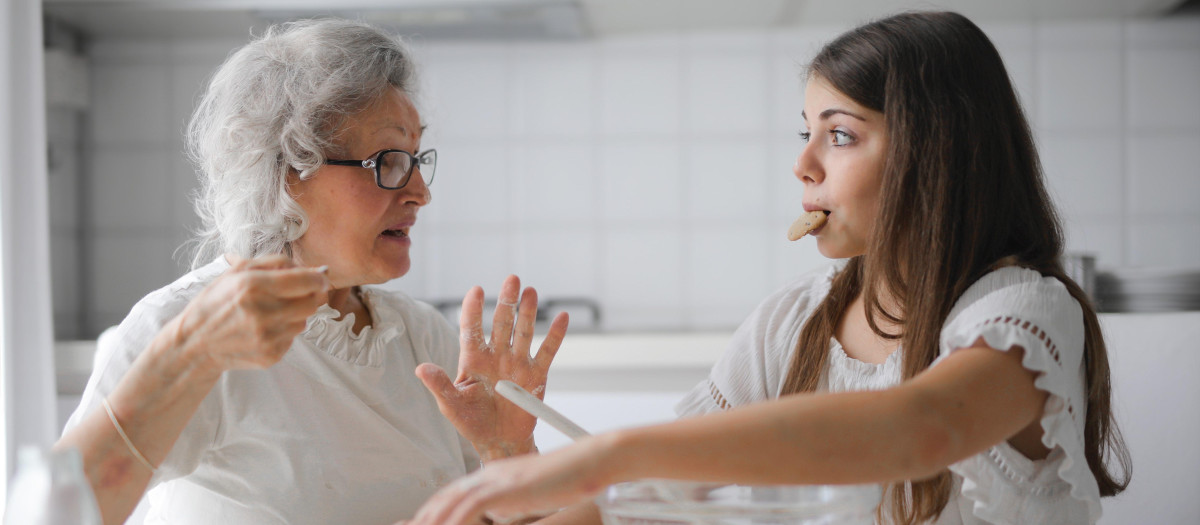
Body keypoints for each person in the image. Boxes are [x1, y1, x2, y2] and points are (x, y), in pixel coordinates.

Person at [406, 11, 1132, 525]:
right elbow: (658, 498)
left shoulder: (1023, 315)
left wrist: (610, 450)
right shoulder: (792, 322)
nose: (803, 163)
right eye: (806, 132)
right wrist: (512, 457)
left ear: (935, 154)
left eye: (840, 135)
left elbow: (923, 426)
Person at [56, 19, 567, 525]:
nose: (420, 192)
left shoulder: (423, 338)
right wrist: (185, 354)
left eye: (416, 159)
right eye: (389, 161)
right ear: (286, 171)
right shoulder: (185, 327)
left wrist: (508, 449)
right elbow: (59, 514)